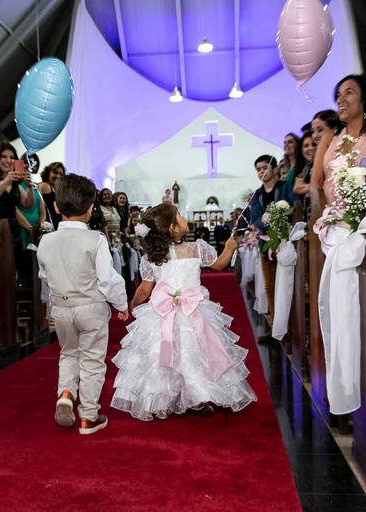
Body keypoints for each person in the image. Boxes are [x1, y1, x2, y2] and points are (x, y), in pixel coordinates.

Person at [111, 204, 256, 420]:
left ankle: (186, 396)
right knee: (193, 353)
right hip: (188, 312)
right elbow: (219, 265)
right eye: (179, 215)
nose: (183, 218)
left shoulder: (154, 256)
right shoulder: (195, 249)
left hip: (168, 313)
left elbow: (145, 288)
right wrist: (228, 248)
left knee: (172, 355)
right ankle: (195, 396)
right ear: (173, 227)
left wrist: (133, 305)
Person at [37, 174, 129, 435]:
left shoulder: (46, 241)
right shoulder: (95, 239)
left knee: (68, 353)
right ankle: (88, 416)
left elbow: (45, 276)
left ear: (56, 207)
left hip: (61, 308)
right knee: (92, 359)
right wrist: (122, 305)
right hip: (91, 308)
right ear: (90, 209)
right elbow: (107, 279)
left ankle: (66, 394)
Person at [311, 75, 366, 210]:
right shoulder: (329, 138)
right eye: (338, 95)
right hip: (330, 216)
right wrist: (321, 214)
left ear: (365, 98)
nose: (340, 100)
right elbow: (316, 183)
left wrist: (354, 213)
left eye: (349, 93)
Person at [249, 154, 297, 320]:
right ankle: (274, 321)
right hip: (266, 244)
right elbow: (254, 218)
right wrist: (265, 221)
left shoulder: (285, 187)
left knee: (287, 284)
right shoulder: (257, 194)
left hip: (287, 242)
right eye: (258, 169)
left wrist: (279, 221)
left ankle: (290, 321)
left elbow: (294, 208)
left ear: (275, 169)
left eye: (265, 167)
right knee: (270, 286)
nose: (261, 172)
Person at [15, 152, 46, 249]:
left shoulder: (37, 186)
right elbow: (15, 209)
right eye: (27, 163)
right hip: (22, 228)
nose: (30, 166)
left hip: (36, 230)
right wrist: (29, 228)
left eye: (33, 164)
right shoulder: (16, 184)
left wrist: (40, 227)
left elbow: (42, 211)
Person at [38, 161, 65, 229]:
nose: (58, 176)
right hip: (46, 226)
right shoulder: (44, 185)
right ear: (48, 173)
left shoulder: (58, 191)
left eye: (61, 174)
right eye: (55, 172)